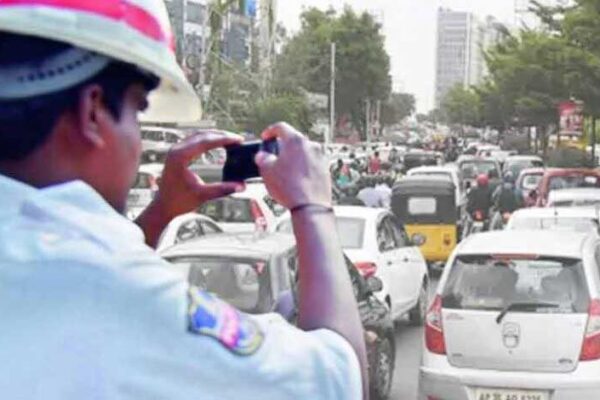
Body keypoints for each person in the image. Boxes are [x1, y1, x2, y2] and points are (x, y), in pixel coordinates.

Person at [0, 2, 367, 399]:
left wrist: (160, 213)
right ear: (92, 111)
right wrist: (312, 206)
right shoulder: (123, 296)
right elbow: (337, 380)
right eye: (137, 112)